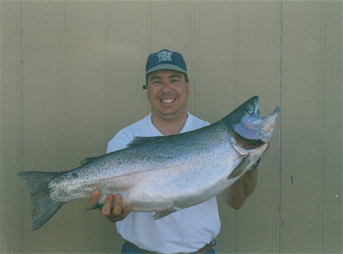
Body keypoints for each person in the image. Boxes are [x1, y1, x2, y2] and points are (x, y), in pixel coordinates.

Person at [89, 49, 260, 254]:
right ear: (147, 89)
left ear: (187, 87)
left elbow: (236, 201)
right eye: (157, 81)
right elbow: (113, 207)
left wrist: (251, 161)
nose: (166, 89)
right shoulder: (124, 140)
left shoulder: (213, 136)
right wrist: (113, 213)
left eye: (174, 79)